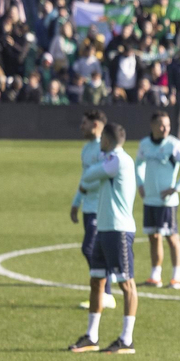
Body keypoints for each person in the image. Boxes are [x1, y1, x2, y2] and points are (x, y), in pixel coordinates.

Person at [69, 123, 139, 354]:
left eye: (102, 141)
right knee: (97, 280)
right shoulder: (111, 160)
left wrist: (95, 165)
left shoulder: (117, 160)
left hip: (118, 230)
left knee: (126, 283)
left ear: (107, 141)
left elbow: (88, 176)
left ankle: (126, 339)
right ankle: (92, 336)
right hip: (105, 228)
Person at [134, 111, 180, 290]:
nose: (165, 129)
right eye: (162, 125)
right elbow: (137, 165)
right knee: (153, 237)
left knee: (171, 237)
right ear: (152, 125)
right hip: (150, 200)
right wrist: (140, 184)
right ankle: (155, 276)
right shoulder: (145, 145)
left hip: (166, 202)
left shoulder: (174, 145)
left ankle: (176, 277)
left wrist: (176, 188)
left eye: (168, 125)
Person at [70, 109, 115, 312]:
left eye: (85, 123)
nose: (81, 127)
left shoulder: (105, 149)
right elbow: (84, 178)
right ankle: (106, 292)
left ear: (95, 125)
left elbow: (104, 177)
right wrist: (76, 202)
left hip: (101, 207)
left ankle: (106, 293)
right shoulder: (87, 149)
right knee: (95, 251)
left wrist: (86, 188)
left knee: (89, 249)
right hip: (88, 208)